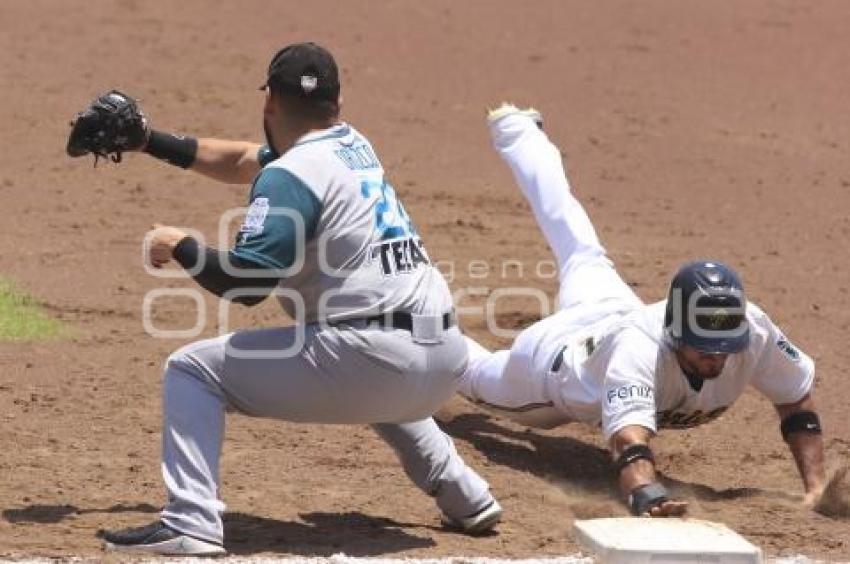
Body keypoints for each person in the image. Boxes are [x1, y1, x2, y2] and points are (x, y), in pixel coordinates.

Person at [69, 43, 501, 555]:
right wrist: (148, 141)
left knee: (191, 369)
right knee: (367, 361)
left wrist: (180, 245)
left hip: (374, 361)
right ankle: (465, 494)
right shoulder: (353, 145)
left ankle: (190, 522)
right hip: (444, 360)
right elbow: (241, 160)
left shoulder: (291, 176)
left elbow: (246, 284)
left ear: (269, 101)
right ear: (336, 103)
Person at [459, 103, 826, 518]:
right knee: (467, 375)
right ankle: (408, 325)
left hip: (611, 309)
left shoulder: (752, 329)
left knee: (583, 251)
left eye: (724, 347)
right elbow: (627, 439)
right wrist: (646, 493)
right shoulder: (641, 351)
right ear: (676, 333)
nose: (717, 358)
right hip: (547, 372)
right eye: (704, 349)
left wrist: (816, 488)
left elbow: (796, 400)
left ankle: (517, 131)